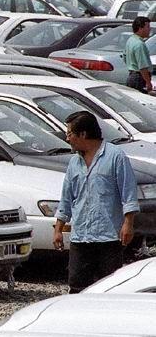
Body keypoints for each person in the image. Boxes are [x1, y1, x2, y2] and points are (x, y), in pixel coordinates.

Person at [54, 111, 139, 293]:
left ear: (83, 134)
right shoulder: (74, 163)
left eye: (69, 134)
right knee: (77, 286)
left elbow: (128, 193)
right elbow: (66, 198)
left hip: (108, 236)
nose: (67, 139)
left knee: (109, 286)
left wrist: (128, 224)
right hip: (81, 236)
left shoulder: (116, 157)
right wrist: (58, 229)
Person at [124, 16, 152, 93]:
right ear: (140, 28)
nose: (149, 29)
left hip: (132, 76)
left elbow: (124, 57)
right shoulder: (139, 44)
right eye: (147, 27)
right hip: (139, 78)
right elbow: (142, 66)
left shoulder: (131, 40)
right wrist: (148, 82)